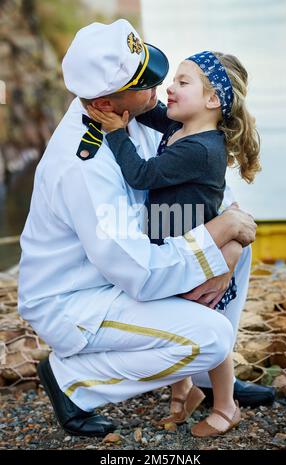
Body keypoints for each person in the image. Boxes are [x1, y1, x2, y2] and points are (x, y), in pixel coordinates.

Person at [17, 20, 262, 439]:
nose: (160, 85)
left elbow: (192, 187)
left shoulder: (136, 115)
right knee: (211, 337)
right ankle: (74, 381)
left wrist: (227, 242)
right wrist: (213, 240)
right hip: (79, 299)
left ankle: (206, 379)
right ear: (110, 105)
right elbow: (139, 271)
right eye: (145, 82)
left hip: (122, 264)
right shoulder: (84, 166)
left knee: (238, 243)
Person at [86, 49, 261, 435]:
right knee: (179, 320)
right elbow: (143, 108)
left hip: (200, 252)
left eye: (183, 83)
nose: (169, 88)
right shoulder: (180, 128)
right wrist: (112, 94)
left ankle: (227, 405)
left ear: (213, 101)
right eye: (172, 81)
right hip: (176, 242)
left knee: (208, 325)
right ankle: (184, 391)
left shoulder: (200, 148)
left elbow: (142, 174)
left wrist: (116, 133)